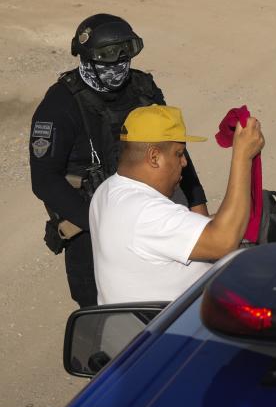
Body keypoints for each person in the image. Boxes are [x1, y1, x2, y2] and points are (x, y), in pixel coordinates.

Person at [29, 14, 208, 308]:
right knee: (104, 315)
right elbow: (45, 179)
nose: (120, 65)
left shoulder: (142, 88)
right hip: (91, 227)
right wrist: (99, 221)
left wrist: (197, 204)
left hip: (153, 213)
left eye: (127, 53)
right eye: (108, 57)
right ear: (86, 58)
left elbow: (174, 147)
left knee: (171, 303)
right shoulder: (60, 104)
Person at [89, 105, 264, 304]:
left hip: (143, 325)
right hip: (172, 328)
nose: (184, 163)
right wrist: (243, 157)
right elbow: (223, 242)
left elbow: (174, 231)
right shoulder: (145, 211)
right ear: (154, 157)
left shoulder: (107, 190)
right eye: (179, 153)